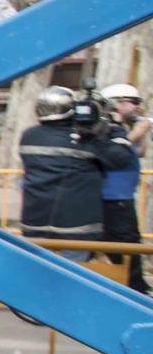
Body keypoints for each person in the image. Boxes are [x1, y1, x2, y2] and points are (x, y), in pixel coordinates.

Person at [19, 85, 132, 250]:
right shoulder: (85, 140)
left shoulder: (29, 136)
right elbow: (120, 159)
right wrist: (109, 128)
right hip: (77, 229)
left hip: (33, 225)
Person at [99, 83, 148, 293]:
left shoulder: (125, 129)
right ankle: (134, 289)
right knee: (125, 245)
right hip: (111, 198)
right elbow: (116, 154)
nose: (137, 107)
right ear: (115, 104)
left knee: (131, 244)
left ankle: (136, 286)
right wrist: (135, 133)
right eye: (132, 102)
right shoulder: (105, 128)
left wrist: (141, 133)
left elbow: (139, 153)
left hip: (124, 196)